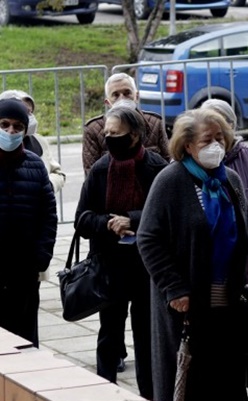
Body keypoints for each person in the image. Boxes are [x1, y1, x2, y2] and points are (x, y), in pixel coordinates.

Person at [137, 108, 248, 401]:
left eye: (219, 138)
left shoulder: (231, 181)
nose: (216, 146)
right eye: (206, 140)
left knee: (226, 382)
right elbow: (149, 238)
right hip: (186, 304)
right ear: (187, 145)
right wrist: (174, 288)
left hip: (228, 302)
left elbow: (244, 232)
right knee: (189, 382)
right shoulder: (171, 181)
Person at [74, 104, 168, 399]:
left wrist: (134, 219)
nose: (110, 139)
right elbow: (82, 219)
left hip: (146, 267)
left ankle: (149, 392)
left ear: (136, 135)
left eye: (117, 134)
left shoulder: (157, 169)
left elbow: (167, 216)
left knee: (146, 337)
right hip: (109, 265)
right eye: (107, 134)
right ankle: (105, 388)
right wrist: (108, 223)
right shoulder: (101, 169)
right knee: (109, 335)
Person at [199, 98, 248, 401]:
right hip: (214, 276)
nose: (215, 140)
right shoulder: (185, 170)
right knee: (226, 344)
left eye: (221, 132)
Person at [0, 98, 57, 348]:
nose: (10, 131)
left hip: (23, 270)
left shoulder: (35, 164)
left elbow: (48, 216)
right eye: (4, 125)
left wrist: (40, 257)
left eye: (17, 126)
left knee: (24, 340)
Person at [82, 72, 170, 175]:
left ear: (136, 96)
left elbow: (167, 165)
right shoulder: (93, 129)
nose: (122, 98)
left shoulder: (155, 122)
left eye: (127, 93)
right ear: (107, 102)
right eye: (115, 95)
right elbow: (92, 174)